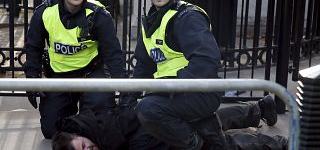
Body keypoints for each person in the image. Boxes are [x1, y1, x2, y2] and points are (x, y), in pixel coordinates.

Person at [132, 0, 280, 149]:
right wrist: (128, 100)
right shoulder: (151, 21)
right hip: (174, 91)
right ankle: (258, 110)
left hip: (197, 91)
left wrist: (169, 89)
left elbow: (206, 61)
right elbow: (143, 65)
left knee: (153, 113)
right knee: (172, 129)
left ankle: (208, 147)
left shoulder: (186, 17)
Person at [23, 0, 126, 139]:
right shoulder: (45, 12)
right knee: (51, 130)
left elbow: (113, 55)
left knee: (101, 125)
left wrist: (124, 90)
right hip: (59, 77)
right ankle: (79, 119)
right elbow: (33, 48)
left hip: (91, 75)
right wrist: (32, 79)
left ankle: (85, 117)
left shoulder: (99, 14)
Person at [51, 95, 288, 150]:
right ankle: (258, 109)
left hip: (160, 128)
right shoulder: (96, 129)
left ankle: (278, 144)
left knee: (216, 142)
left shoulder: (102, 130)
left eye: (83, 147)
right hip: (161, 124)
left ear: (79, 135)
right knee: (210, 124)